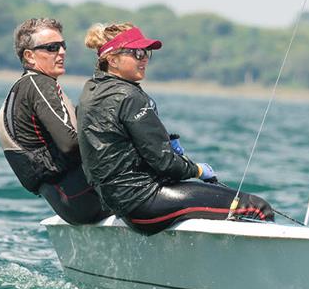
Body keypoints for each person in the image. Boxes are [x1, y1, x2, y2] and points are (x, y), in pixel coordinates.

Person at [76, 22, 274, 235]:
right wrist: (196, 169)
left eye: (146, 53)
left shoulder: (91, 90)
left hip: (118, 201)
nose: (144, 59)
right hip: (143, 201)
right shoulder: (129, 96)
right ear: (112, 59)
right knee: (256, 207)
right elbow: (165, 163)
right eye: (137, 53)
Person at [0, 18, 107, 224]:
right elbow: (70, 145)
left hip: (68, 202)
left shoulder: (24, 85)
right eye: (52, 48)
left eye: (63, 46)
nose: (62, 52)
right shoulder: (38, 84)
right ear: (29, 55)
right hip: (81, 200)